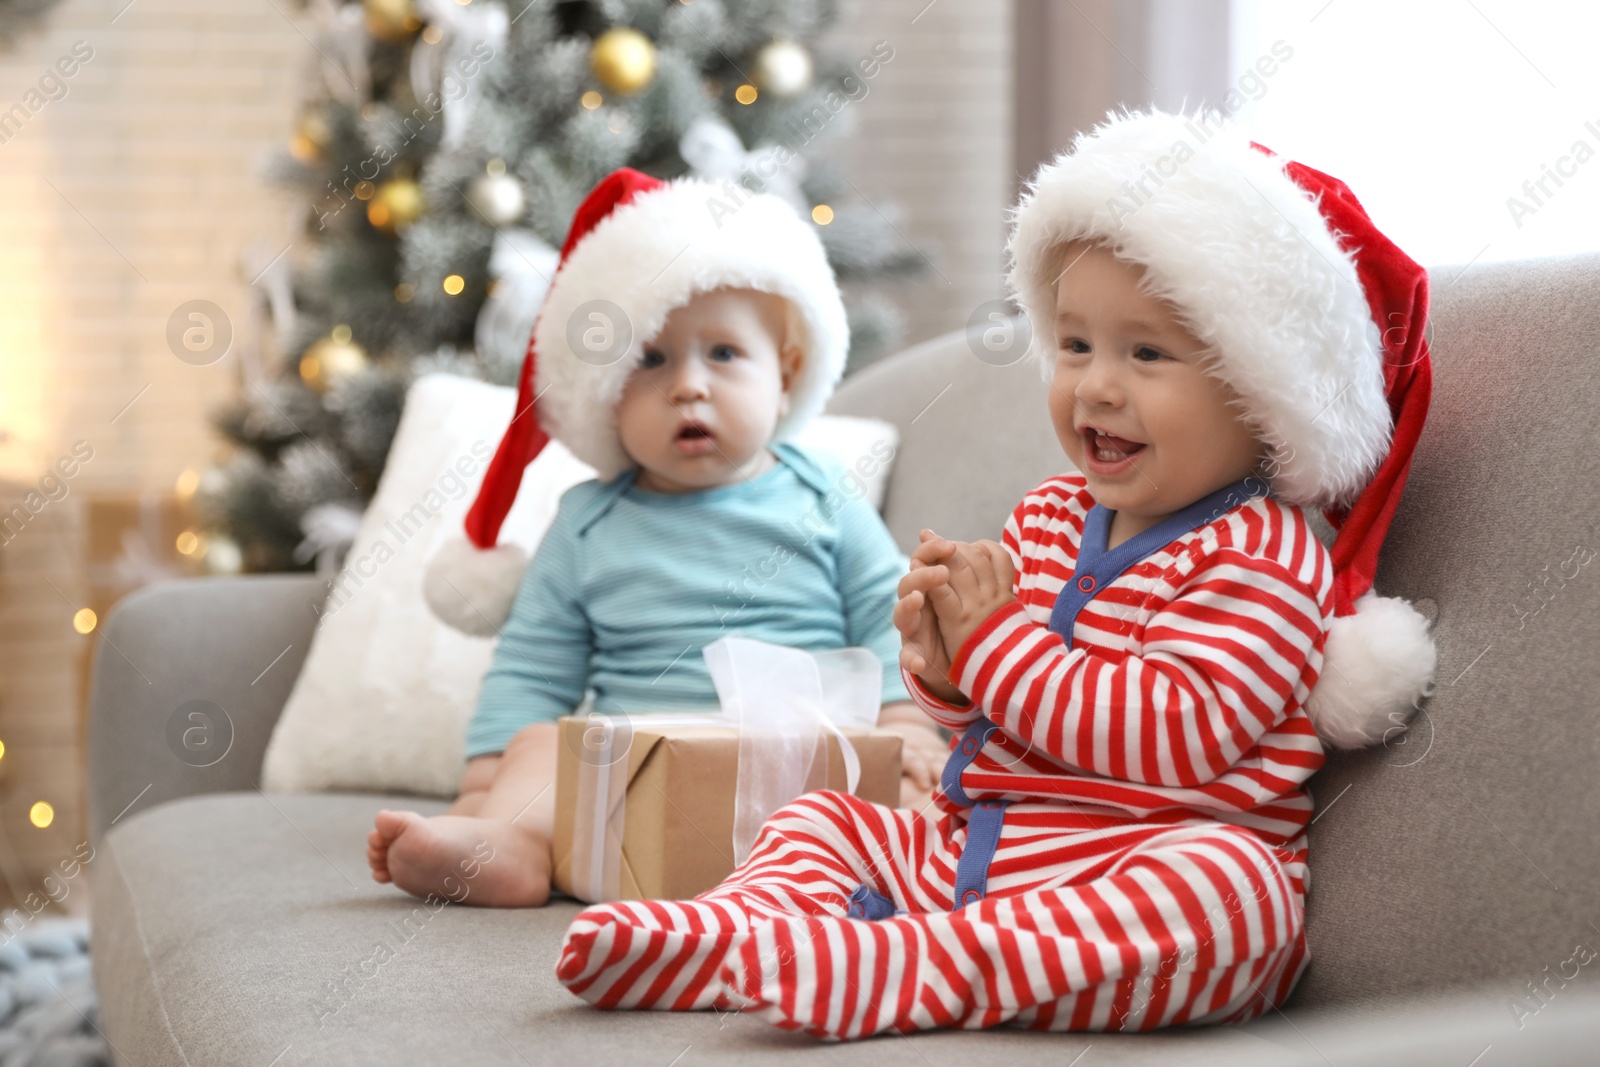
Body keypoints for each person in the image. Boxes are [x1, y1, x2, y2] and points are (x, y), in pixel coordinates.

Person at [553, 108, 1438, 1037]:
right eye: (1076, 344)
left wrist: (997, 645)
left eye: (1146, 353)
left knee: (1235, 896)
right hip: (972, 851)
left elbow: (1172, 739)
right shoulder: (1050, 516)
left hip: (1131, 870)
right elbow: (992, 723)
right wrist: (943, 666)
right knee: (830, 820)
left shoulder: (1263, 554)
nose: (1096, 384)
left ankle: (914, 968)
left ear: (1262, 394)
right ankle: (735, 930)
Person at [365, 168, 948, 908]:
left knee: (914, 785)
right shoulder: (587, 522)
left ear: (787, 373)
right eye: (651, 360)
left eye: (725, 354)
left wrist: (904, 723)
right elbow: (535, 663)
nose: (689, 386)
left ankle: (898, 876)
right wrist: (486, 781)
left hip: (797, 757)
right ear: (604, 392)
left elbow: (886, 615)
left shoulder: (824, 494)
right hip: (636, 773)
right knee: (540, 748)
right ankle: (512, 843)